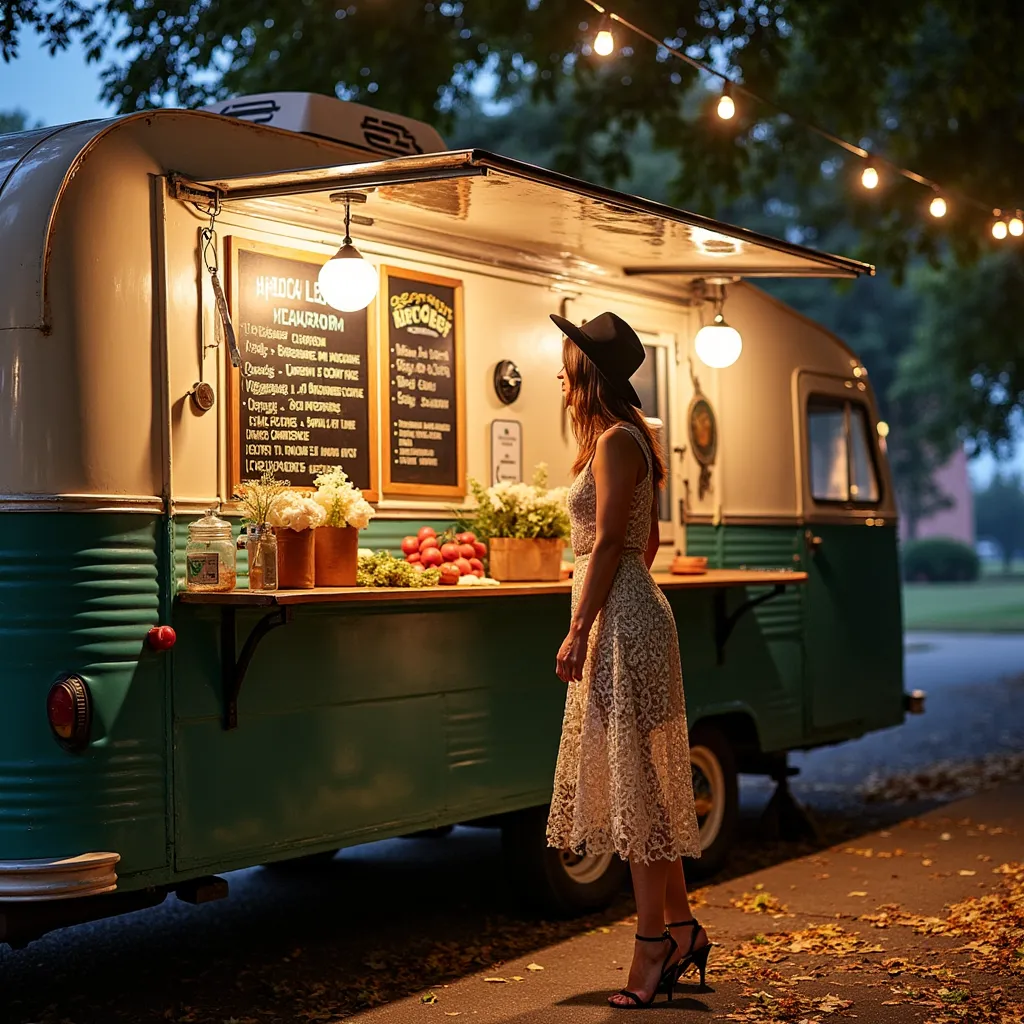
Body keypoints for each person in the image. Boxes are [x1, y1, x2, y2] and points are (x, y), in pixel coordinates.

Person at [546, 311, 712, 1009]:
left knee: (637, 786)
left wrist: (581, 627)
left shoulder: (616, 441)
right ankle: (681, 930)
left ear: (588, 373)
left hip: (621, 620)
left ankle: (651, 948)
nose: (558, 372)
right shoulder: (625, 440)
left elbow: (614, 543)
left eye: (566, 362)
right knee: (642, 776)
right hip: (631, 611)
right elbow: (638, 549)